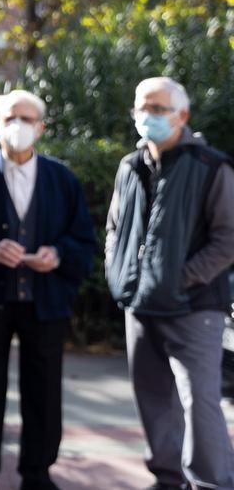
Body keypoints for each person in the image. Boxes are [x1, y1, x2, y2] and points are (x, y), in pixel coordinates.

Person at [0, 89, 95, 490]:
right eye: (11, 118)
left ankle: (37, 474)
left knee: (44, 391)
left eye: (27, 119)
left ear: (41, 128)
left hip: (45, 304)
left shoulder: (61, 178)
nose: (19, 126)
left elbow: (83, 238)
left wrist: (58, 254)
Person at [104, 77, 234, 490]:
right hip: (140, 304)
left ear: (183, 116)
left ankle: (211, 482)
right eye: (142, 107)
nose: (148, 116)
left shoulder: (212, 166)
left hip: (195, 307)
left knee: (201, 403)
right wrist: (119, 270)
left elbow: (228, 238)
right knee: (152, 398)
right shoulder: (130, 165)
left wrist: (180, 279)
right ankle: (166, 478)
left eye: (158, 109)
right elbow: (115, 227)